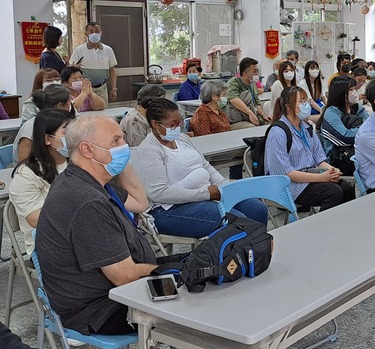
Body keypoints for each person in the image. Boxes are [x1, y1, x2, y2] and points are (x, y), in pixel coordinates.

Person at [35, 115, 154, 335]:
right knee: (196, 305)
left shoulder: (87, 179)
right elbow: (124, 276)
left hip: (111, 293)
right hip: (100, 309)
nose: (125, 146)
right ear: (88, 150)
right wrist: (170, 273)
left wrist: (120, 160)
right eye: (116, 141)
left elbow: (140, 202)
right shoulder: (85, 200)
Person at [130, 98, 268, 238]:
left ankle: (258, 251)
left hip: (205, 195)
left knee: (257, 209)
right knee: (235, 220)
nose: (178, 127)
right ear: (155, 124)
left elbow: (204, 164)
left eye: (180, 122)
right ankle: (236, 257)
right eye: (173, 124)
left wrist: (223, 183)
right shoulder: (149, 151)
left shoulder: (182, 139)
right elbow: (159, 193)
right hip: (169, 208)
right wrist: (207, 194)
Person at [265, 86, 355, 211]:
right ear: (288, 106)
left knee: (346, 187)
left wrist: (332, 170)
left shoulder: (306, 127)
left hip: (309, 177)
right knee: (333, 193)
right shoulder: (277, 133)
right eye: (302, 102)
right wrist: (321, 178)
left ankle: (346, 224)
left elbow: (319, 159)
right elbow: (285, 173)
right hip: (289, 185)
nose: (306, 105)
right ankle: (322, 228)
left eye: (306, 101)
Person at [9, 109, 75, 254]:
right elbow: (36, 219)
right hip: (47, 246)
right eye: (66, 133)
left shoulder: (77, 163)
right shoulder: (27, 174)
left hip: (81, 235)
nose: (74, 138)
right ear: (47, 139)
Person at [318, 76, 369, 176]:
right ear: (340, 93)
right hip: (339, 159)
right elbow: (345, 138)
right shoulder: (331, 113)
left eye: (354, 88)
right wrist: (364, 130)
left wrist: (364, 130)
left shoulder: (356, 107)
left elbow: (371, 124)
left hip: (357, 151)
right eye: (351, 90)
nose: (354, 92)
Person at [13, 85, 74, 164]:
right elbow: (24, 162)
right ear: (60, 106)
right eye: (69, 104)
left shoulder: (62, 124)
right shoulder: (30, 128)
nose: (71, 109)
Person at [69, 22, 118, 104]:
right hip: (84, 90)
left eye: (97, 31)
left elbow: (112, 71)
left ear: (101, 33)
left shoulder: (108, 50)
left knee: (103, 112)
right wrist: (74, 68)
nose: (94, 33)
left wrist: (114, 89)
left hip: (102, 89)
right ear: (86, 33)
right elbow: (70, 70)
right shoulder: (79, 50)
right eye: (91, 31)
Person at [225, 57, 270, 129]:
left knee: (270, 124)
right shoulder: (233, 82)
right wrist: (250, 113)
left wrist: (264, 116)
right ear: (245, 73)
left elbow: (257, 103)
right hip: (237, 120)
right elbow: (233, 100)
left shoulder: (252, 84)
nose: (257, 74)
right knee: (251, 128)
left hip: (252, 116)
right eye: (255, 71)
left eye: (258, 71)